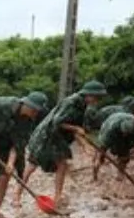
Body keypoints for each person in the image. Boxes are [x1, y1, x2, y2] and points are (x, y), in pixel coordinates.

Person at [18, 80, 108, 208]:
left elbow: (77, 128)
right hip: (46, 135)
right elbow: (57, 123)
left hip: (58, 137)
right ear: (88, 94)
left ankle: (57, 197)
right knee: (32, 165)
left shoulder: (83, 105)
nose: (97, 101)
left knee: (62, 164)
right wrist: (76, 129)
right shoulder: (71, 102)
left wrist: (85, 146)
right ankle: (17, 196)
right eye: (96, 97)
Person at [91, 108, 134, 181]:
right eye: (125, 134)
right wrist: (101, 154)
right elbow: (102, 145)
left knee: (124, 156)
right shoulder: (109, 131)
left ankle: (120, 173)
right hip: (110, 124)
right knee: (100, 155)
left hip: (124, 127)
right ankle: (95, 175)